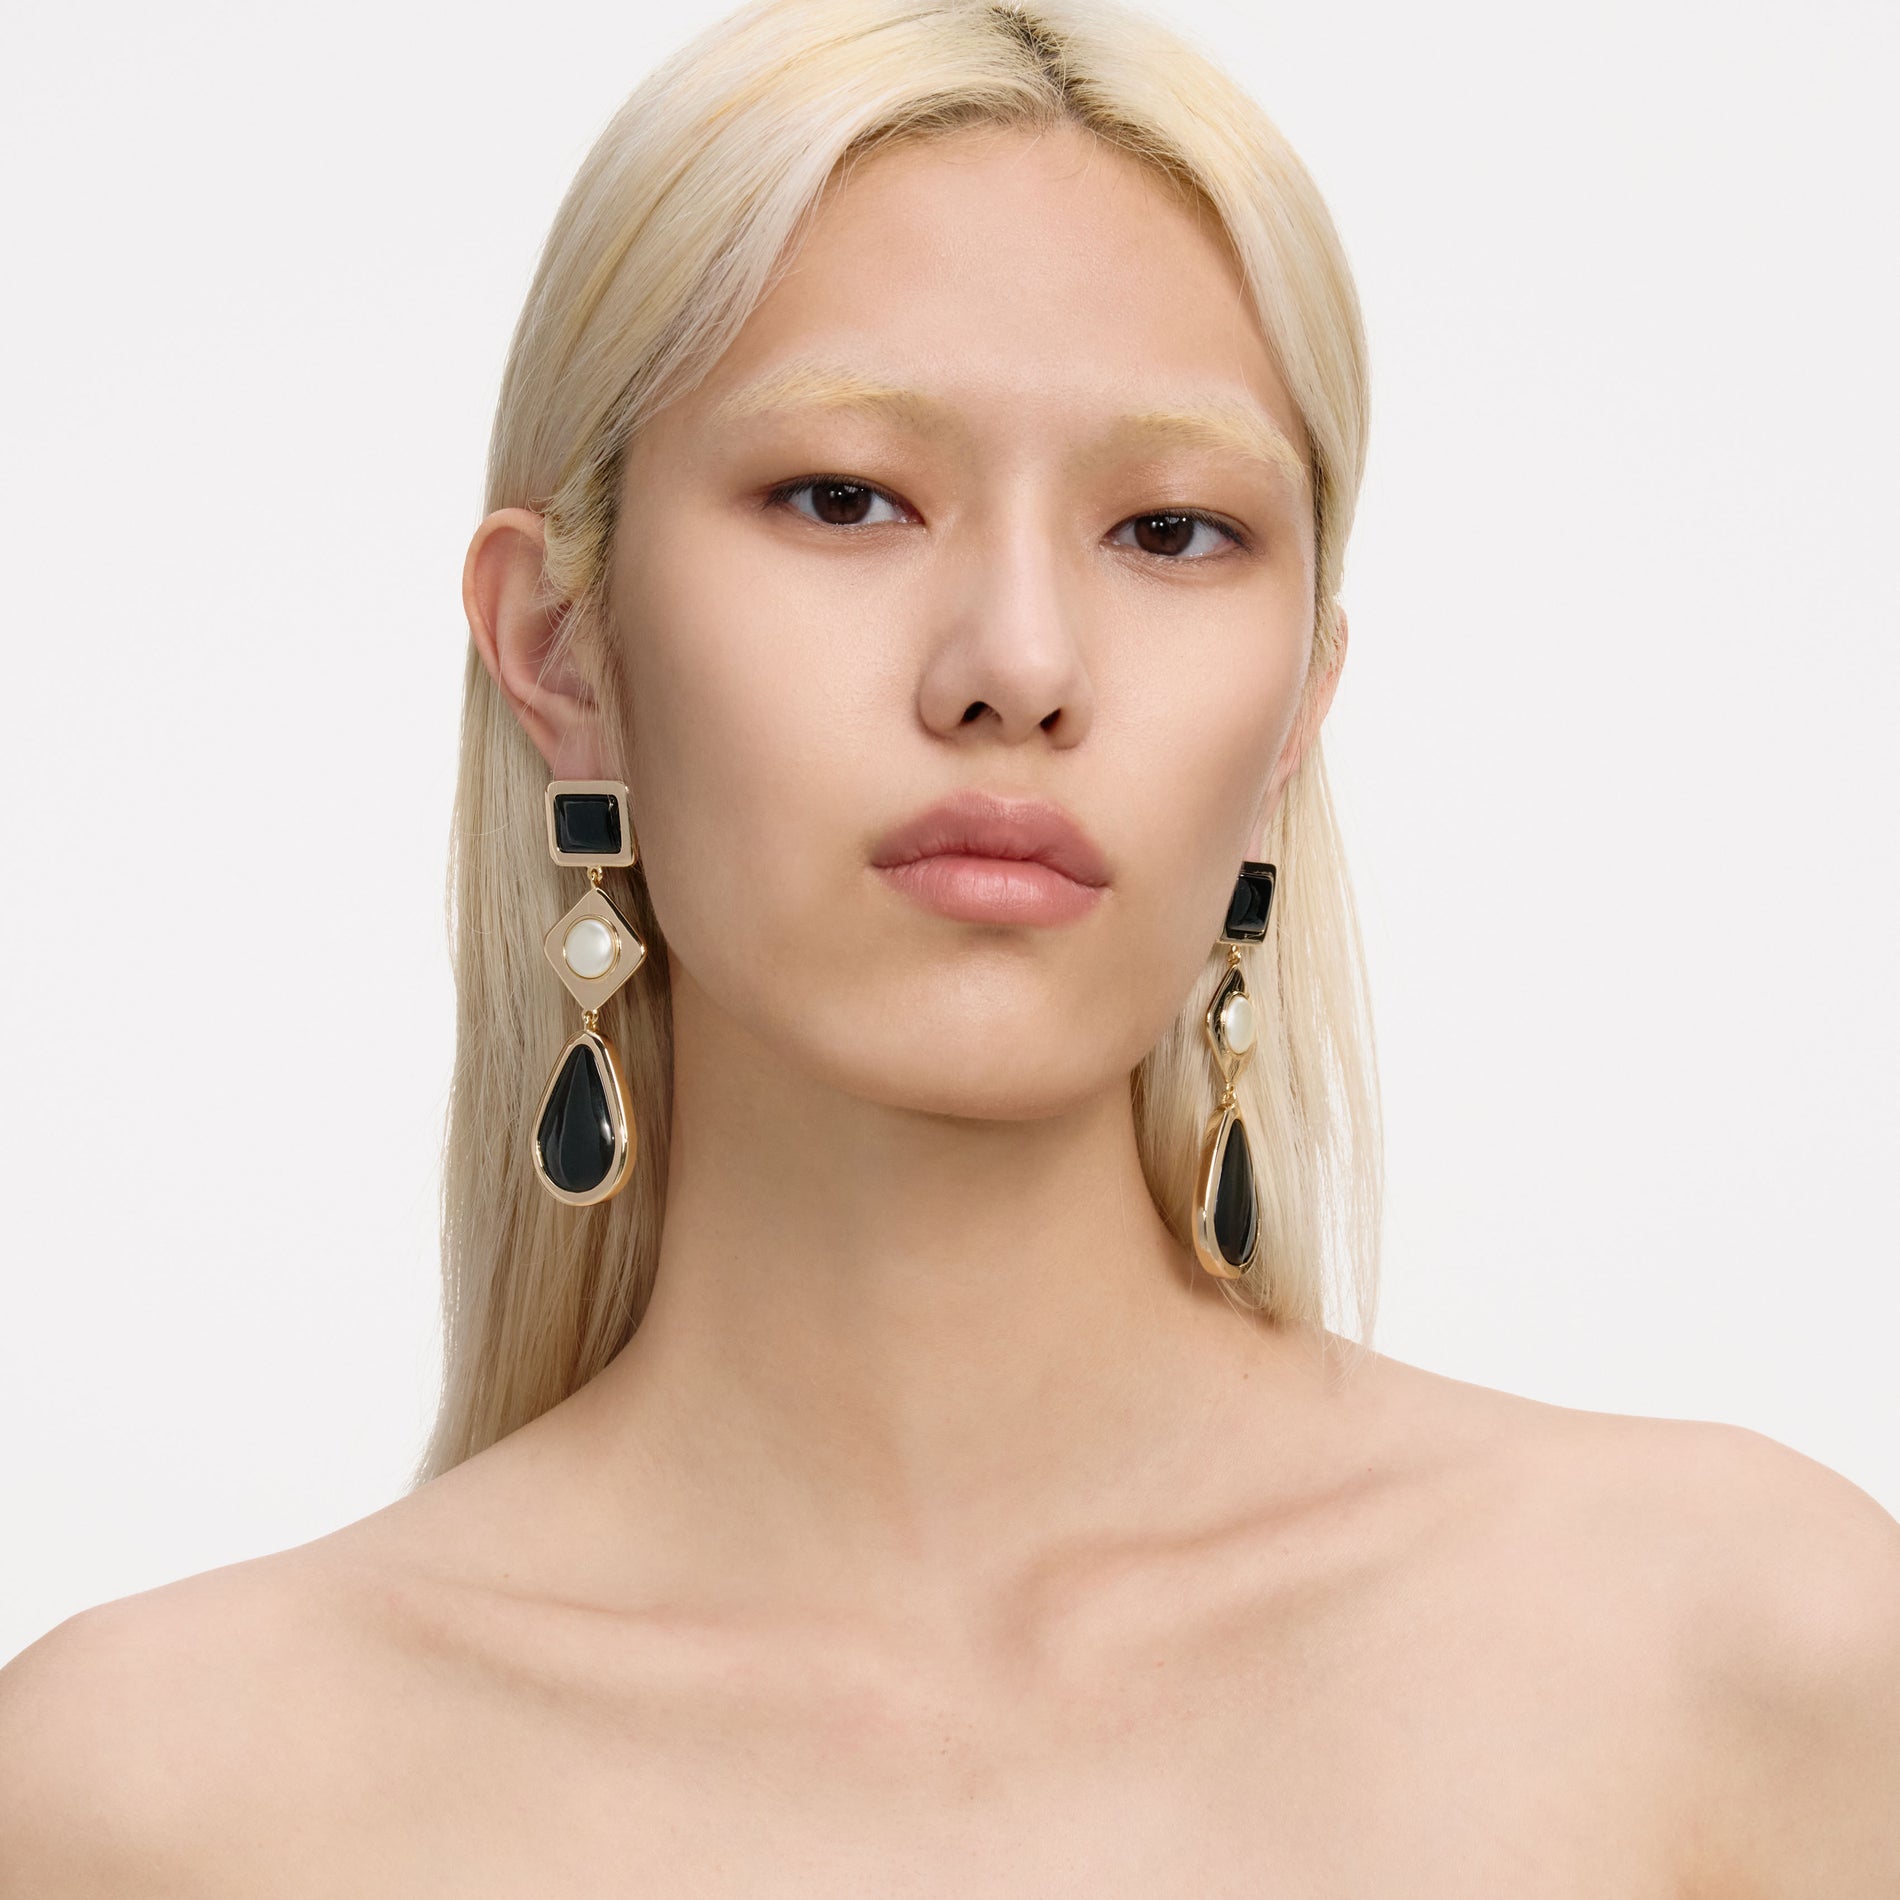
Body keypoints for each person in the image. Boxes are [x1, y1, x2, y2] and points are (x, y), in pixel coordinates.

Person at [3, 0, 1896, 1888]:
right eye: (844, 497)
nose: (1019, 665)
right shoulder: (142, 1798)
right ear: (562, 653)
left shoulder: (1752, 1659)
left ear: (1296, 713)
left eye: (1172, 530)